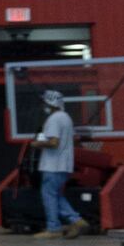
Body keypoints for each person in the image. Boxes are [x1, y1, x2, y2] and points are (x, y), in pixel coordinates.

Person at [34, 89, 83, 236]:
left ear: (50, 102)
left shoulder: (54, 119)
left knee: (48, 195)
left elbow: (53, 142)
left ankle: (55, 227)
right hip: (65, 165)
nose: (42, 106)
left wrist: (36, 144)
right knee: (55, 194)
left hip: (53, 165)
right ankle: (75, 220)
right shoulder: (66, 117)